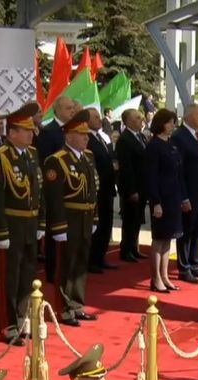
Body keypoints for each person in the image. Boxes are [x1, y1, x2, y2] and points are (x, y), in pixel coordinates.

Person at [0, 102, 45, 345]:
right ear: (12, 133)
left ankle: (23, 319)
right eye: (26, 130)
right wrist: (0, 231)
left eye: (31, 130)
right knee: (9, 278)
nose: (31, 134)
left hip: (30, 224)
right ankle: (8, 324)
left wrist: (41, 222)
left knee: (27, 275)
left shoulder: (31, 154)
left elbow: (38, 190)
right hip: (11, 225)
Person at [43, 109, 99, 327]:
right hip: (68, 218)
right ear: (68, 136)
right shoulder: (57, 161)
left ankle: (77, 304)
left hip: (85, 217)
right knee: (65, 264)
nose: (86, 138)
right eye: (81, 134)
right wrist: (58, 226)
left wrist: (94, 217)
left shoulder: (88, 157)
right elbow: (54, 197)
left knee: (81, 263)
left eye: (86, 134)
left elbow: (92, 189)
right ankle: (64, 308)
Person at [37, 96, 75, 283]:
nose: (72, 111)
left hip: (72, 190)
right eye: (68, 108)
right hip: (55, 189)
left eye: (73, 108)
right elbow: (45, 161)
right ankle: (53, 270)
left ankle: (68, 267)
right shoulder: (49, 131)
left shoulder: (72, 130)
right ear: (57, 110)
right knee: (55, 231)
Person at [145, 109, 183, 293]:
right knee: (159, 239)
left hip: (173, 196)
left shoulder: (171, 144)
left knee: (168, 238)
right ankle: (156, 278)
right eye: (169, 122)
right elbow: (151, 176)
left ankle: (165, 275)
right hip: (161, 197)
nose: (172, 125)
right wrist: (156, 202)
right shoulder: (154, 146)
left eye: (173, 122)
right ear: (160, 123)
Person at [171, 104, 198, 284]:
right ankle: (184, 267)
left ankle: (195, 263)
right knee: (187, 231)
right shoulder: (179, 137)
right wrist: (183, 196)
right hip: (190, 192)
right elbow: (179, 170)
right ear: (189, 116)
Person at [86, 108, 117, 274]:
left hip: (108, 188)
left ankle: (101, 257)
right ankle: (93, 259)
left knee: (106, 224)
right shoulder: (87, 138)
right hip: (98, 189)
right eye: (96, 117)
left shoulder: (101, 137)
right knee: (97, 226)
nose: (100, 120)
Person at [115, 109, 148, 262]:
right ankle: (126, 249)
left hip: (142, 185)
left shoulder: (141, 136)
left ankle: (134, 247)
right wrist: (131, 190)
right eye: (137, 118)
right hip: (132, 187)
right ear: (128, 121)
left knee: (137, 219)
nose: (141, 120)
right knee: (130, 219)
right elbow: (126, 168)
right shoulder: (124, 140)